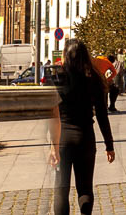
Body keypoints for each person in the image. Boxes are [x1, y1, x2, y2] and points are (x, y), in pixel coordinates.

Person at [47, 39, 114, 215]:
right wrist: (109, 145)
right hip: (86, 137)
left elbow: (52, 115)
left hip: (63, 139)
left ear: (66, 56)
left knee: (61, 189)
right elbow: (102, 115)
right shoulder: (94, 80)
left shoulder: (57, 78)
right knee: (85, 188)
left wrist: (53, 146)